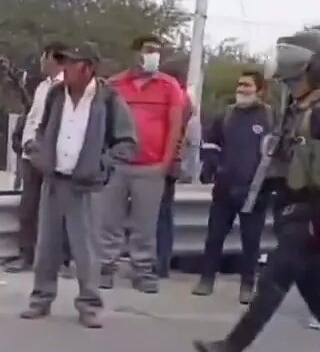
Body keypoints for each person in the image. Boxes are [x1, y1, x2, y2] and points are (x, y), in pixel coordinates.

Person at [192, 29, 320, 352]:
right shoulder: (299, 107)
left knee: (272, 279)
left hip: (315, 211)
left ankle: (231, 348)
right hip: (293, 208)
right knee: (315, 287)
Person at [20, 42, 136, 328]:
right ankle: (41, 299)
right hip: (54, 178)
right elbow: (43, 127)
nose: (64, 68)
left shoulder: (109, 99)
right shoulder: (55, 94)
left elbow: (127, 143)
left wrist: (101, 164)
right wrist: (39, 151)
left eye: (70, 63)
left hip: (86, 185)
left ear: (87, 67)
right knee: (46, 246)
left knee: (85, 249)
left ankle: (90, 304)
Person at [100, 34, 186, 294]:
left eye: (158, 51)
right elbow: (101, 123)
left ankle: (143, 270)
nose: (154, 56)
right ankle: (105, 267)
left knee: (145, 224)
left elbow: (175, 126)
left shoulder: (169, 86)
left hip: (151, 167)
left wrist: (165, 162)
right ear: (135, 53)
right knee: (109, 221)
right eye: (149, 50)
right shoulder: (113, 85)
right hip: (116, 165)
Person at [193, 68, 275, 304]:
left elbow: (277, 154)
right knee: (214, 237)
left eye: (247, 85)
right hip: (224, 189)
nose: (241, 89)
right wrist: (213, 168)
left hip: (255, 192)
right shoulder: (225, 115)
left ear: (260, 91)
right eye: (240, 85)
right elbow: (209, 144)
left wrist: (270, 184)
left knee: (251, 242)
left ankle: (247, 285)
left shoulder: (270, 118)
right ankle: (206, 279)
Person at [6, 44, 66, 273]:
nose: (41, 62)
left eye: (44, 57)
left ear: (53, 59)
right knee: (28, 208)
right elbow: (33, 117)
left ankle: (55, 259)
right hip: (29, 155)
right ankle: (26, 255)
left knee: (53, 209)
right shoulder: (42, 86)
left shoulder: (65, 87)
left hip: (50, 156)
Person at [155, 58, 193, 278]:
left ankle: (160, 262)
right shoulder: (185, 99)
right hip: (172, 162)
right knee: (164, 213)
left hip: (165, 161)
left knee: (161, 214)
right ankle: (161, 262)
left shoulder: (177, 99)